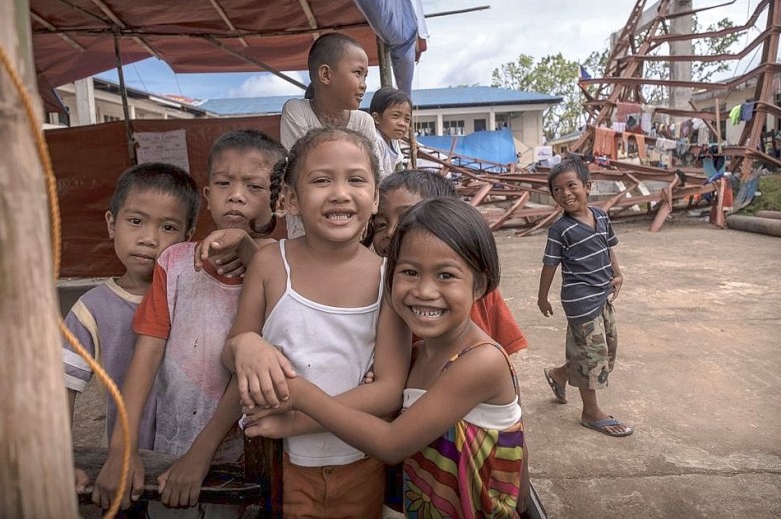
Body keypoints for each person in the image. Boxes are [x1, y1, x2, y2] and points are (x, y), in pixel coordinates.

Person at [245, 198, 526, 517]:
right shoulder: (418, 355)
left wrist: (300, 396)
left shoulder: (481, 361)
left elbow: (392, 444)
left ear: (481, 284)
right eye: (409, 272)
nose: (424, 290)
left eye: (445, 275)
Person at [92, 130, 287, 514]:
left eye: (254, 185)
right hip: (169, 448)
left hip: (243, 459)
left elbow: (249, 372)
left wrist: (201, 455)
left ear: (280, 201)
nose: (236, 194)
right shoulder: (175, 263)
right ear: (207, 195)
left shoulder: (284, 270)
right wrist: (123, 448)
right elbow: (147, 355)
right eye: (223, 182)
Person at [222, 127, 410, 518]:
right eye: (322, 180)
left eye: (356, 179)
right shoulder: (271, 264)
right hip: (280, 467)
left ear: (374, 197)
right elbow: (231, 354)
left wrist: (296, 423)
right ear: (289, 199)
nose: (340, 193)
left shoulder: (389, 278)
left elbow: (390, 390)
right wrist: (245, 344)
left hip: (361, 462)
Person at [63, 162, 199, 496]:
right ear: (112, 223)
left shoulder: (200, 299)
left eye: (168, 227)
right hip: (124, 464)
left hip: (196, 462)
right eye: (135, 221)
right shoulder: (92, 309)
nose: (149, 239)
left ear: (187, 238)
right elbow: (59, 390)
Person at [369, 169, 528, 356]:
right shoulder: (378, 292)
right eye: (380, 224)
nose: (390, 232)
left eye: (406, 219)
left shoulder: (480, 293)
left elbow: (505, 350)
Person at [538, 159, 633, 437]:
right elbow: (549, 265)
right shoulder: (560, 230)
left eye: (571, 186)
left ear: (587, 187)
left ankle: (559, 374)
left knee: (604, 351)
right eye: (557, 190)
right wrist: (542, 298)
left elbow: (608, 247)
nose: (565, 193)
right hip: (580, 301)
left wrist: (617, 273)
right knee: (592, 356)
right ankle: (590, 412)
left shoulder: (601, 216)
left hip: (603, 294)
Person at [280, 32, 386, 238]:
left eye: (365, 76)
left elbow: (375, 176)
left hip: (354, 234)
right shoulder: (296, 111)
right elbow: (302, 168)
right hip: (306, 235)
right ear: (326, 75)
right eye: (357, 73)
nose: (364, 84)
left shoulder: (364, 121)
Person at [369, 86, 412, 176]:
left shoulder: (393, 140)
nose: (402, 123)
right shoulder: (375, 141)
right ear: (376, 118)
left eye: (407, 119)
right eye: (396, 116)